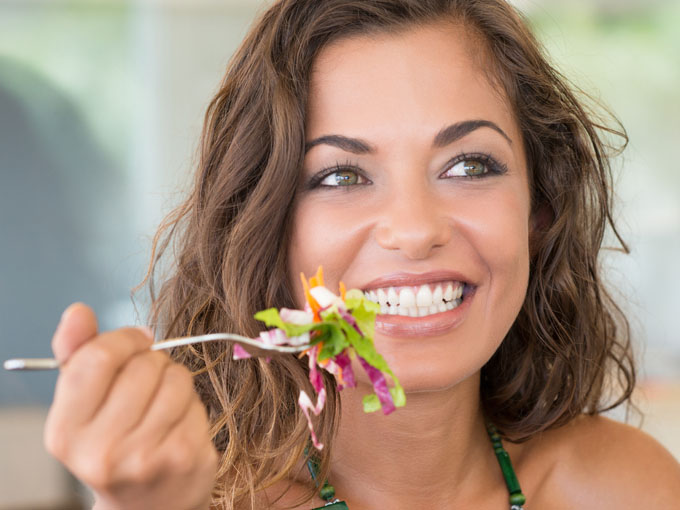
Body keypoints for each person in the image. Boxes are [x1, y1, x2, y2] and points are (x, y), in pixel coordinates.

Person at [43, 1, 680, 509]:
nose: (414, 229)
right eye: (342, 177)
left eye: (469, 165)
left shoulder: (628, 489)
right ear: (266, 227)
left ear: (538, 212)